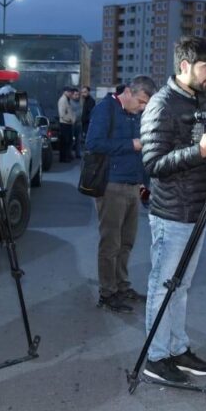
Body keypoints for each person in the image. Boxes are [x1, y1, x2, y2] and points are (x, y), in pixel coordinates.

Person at [140, 36, 206, 384]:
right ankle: (156, 356)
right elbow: (153, 163)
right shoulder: (162, 104)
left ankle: (177, 349)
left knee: (182, 287)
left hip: (197, 209)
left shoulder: (196, 101)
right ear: (184, 67)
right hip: (172, 214)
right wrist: (202, 151)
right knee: (165, 286)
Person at [85, 76, 156, 314]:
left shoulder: (135, 114)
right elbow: (93, 143)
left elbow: (142, 149)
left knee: (127, 242)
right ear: (128, 91)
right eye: (141, 101)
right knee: (110, 243)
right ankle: (108, 292)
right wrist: (130, 144)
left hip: (133, 185)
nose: (142, 107)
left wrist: (144, 184)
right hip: (111, 185)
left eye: (146, 104)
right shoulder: (105, 109)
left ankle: (122, 286)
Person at [57, 86, 77, 162]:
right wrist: (69, 119)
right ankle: (63, 158)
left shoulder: (67, 100)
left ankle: (66, 156)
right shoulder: (63, 100)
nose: (70, 93)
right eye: (69, 92)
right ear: (65, 92)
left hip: (68, 124)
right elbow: (62, 114)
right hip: (64, 123)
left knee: (68, 141)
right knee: (65, 142)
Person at [70, 87, 83, 158]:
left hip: (79, 123)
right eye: (75, 95)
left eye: (78, 95)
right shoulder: (70, 102)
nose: (77, 96)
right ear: (72, 95)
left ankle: (78, 153)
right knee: (71, 140)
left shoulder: (79, 102)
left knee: (78, 139)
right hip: (72, 123)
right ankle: (70, 153)